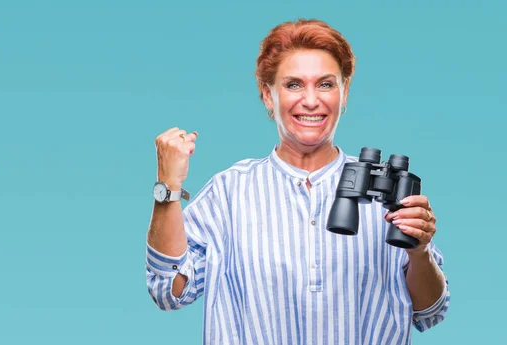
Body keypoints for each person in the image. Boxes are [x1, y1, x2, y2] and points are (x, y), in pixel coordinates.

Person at [145, 18, 450, 345]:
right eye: (293, 85)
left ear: (344, 93)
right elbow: (168, 291)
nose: (310, 100)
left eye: (326, 84)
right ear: (267, 95)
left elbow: (429, 312)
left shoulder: (383, 194)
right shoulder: (229, 193)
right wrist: (168, 190)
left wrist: (420, 252)